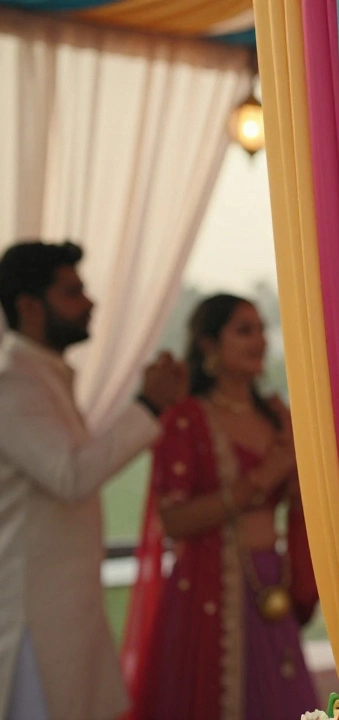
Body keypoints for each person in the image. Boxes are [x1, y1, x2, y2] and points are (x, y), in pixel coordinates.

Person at [0, 241, 186, 720]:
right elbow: (72, 475)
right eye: (72, 292)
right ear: (28, 305)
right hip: (34, 621)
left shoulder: (42, 374)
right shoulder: (12, 380)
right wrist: (148, 406)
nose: (90, 302)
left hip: (65, 612)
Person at [122, 294, 319, 720]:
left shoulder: (275, 414)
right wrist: (263, 478)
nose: (260, 341)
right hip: (208, 590)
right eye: (244, 330)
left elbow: (299, 503)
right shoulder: (187, 418)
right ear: (209, 344)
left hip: (270, 582)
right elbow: (172, 520)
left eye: (262, 329)